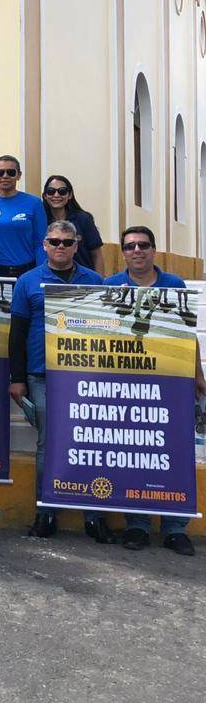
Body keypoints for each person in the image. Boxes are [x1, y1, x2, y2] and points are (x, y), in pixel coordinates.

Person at [105, 225, 206, 557]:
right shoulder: (111, 286)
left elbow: (186, 333)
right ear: (123, 253)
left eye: (143, 245)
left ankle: (175, 529)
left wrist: (198, 374)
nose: (137, 251)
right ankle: (137, 525)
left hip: (170, 382)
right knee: (133, 454)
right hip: (127, 385)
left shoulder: (174, 285)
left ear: (153, 250)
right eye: (130, 246)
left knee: (173, 451)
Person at [8, 220, 104, 539]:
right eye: (54, 241)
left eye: (66, 242)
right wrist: (17, 378)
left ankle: (94, 516)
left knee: (90, 442)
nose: (60, 247)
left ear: (77, 246)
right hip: (41, 374)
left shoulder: (94, 281)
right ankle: (45, 512)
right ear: (44, 245)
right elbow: (17, 334)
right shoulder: (27, 281)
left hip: (85, 375)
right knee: (48, 444)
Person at [0, 155, 47, 277]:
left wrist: (41, 273)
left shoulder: (34, 203)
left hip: (27, 270)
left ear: (19, 175)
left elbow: (41, 242)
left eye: (11, 172)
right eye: (0, 173)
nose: (5, 176)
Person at [42, 175, 104, 274]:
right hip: (49, 277)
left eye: (62, 191)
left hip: (83, 277)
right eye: (51, 191)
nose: (56, 195)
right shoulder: (40, 220)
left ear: (70, 195)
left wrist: (100, 280)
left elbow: (96, 254)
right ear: (45, 196)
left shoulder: (83, 219)